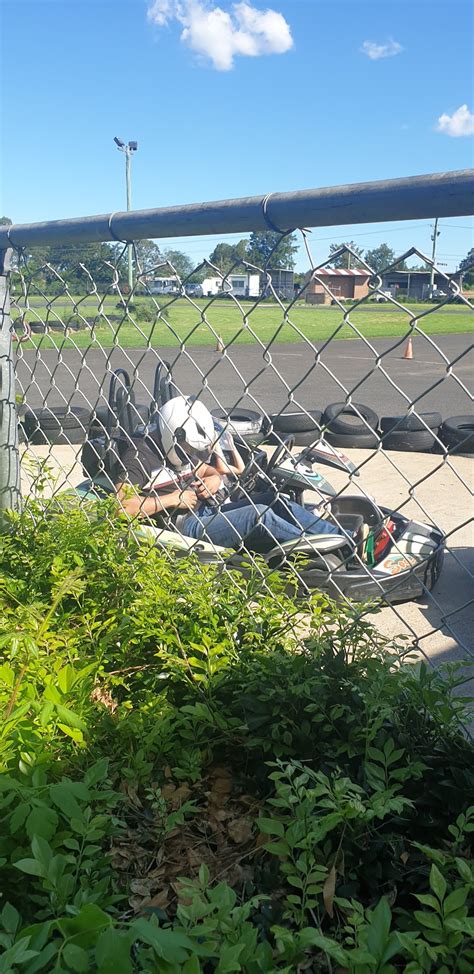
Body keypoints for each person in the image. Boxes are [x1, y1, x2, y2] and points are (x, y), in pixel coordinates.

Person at [115, 396, 341, 551]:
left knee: (275, 500)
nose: (191, 454)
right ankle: (333, 550)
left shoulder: (178, 450)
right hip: (183, 525)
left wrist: (214, 478)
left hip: (207, 511)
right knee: (259, 514)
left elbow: (204, 468)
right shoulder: (138, 458)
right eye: (189, 449)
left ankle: (341, 537)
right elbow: (121, 506)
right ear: (172, 435)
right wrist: (173, 499)